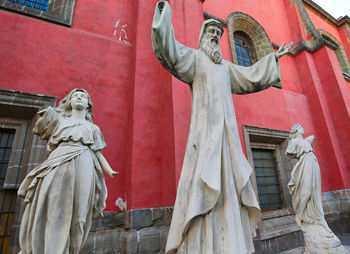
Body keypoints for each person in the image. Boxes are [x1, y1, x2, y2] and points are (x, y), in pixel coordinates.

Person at [152, 1, 293, 253]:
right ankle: (204, 242)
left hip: (226, 134)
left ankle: (231, 241)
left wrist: (272, 59)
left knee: (228, 182)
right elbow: (170, 52)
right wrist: (163, 18)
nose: (215, 37)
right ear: (203, 36)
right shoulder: (194, 59)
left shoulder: (227, 68)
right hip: (204, 132)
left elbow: (250, 76)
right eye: (211, 33)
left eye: (218, 34)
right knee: (203, 178)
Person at [18, 88, 118, 254]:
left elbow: (98, 152)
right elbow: (40, 127)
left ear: (88, 105)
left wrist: (109, 170)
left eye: (83, 96)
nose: (79, 98)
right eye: (75, 96)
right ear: (69, 102)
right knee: (54, 207)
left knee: (81, 214)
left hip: (85, 161)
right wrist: (49, 114)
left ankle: (71, 250)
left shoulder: (93, 128)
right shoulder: (59, 121)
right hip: (59, 161)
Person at [286, 124, 345, 253]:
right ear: (295, 131)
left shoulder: (306, 140)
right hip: (305, 164)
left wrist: (309, 140)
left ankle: (318, 219)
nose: (302, 128)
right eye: (300, 127)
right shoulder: (294, 141)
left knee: (314, 191)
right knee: (306, 191)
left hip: (313, 162)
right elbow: (290, 153)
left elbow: (311, 138)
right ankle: (301, 214)